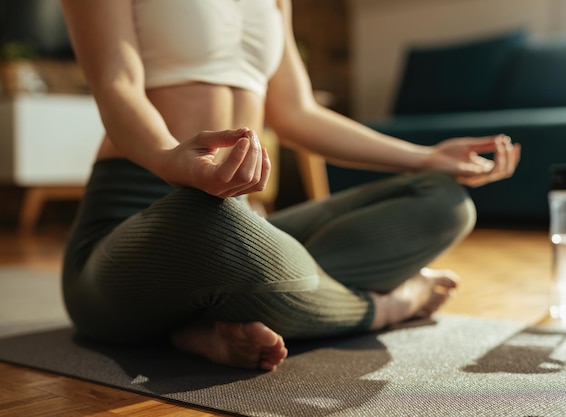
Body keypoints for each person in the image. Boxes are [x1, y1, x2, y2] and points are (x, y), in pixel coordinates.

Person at [60, 0, 521, 372]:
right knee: (215, 223)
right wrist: (169, 159)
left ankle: (207, 320)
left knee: (442, 200)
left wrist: (427, 157)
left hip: (238, 225)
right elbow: (116, 85)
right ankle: (384, 307)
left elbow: (297, 113)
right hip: (134, 234)